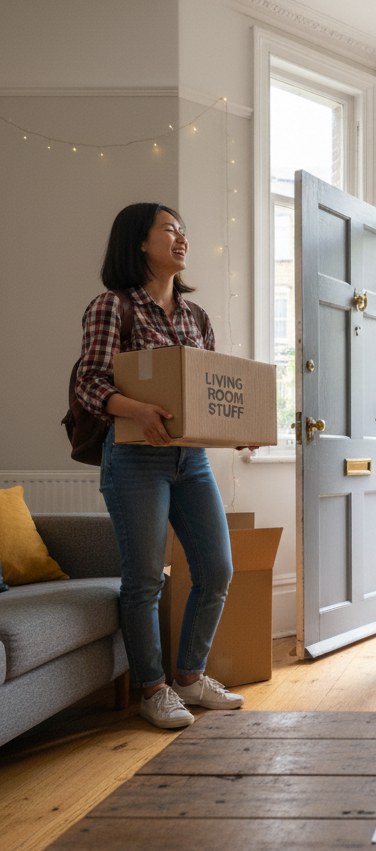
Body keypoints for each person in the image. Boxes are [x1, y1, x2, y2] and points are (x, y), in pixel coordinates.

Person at [76, 203, 244, 729]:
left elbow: (206, 393)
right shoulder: (113, 307)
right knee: (145, 578)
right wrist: (137, 410)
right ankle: (152, 688)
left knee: (216, 569)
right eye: (169, 230)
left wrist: (236, 430)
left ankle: (189, 679)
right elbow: (89, 383)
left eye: (183, 231)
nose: (182, 239)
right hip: (133, 460)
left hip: (189, 459)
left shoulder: (197, 318)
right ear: (139, 243)